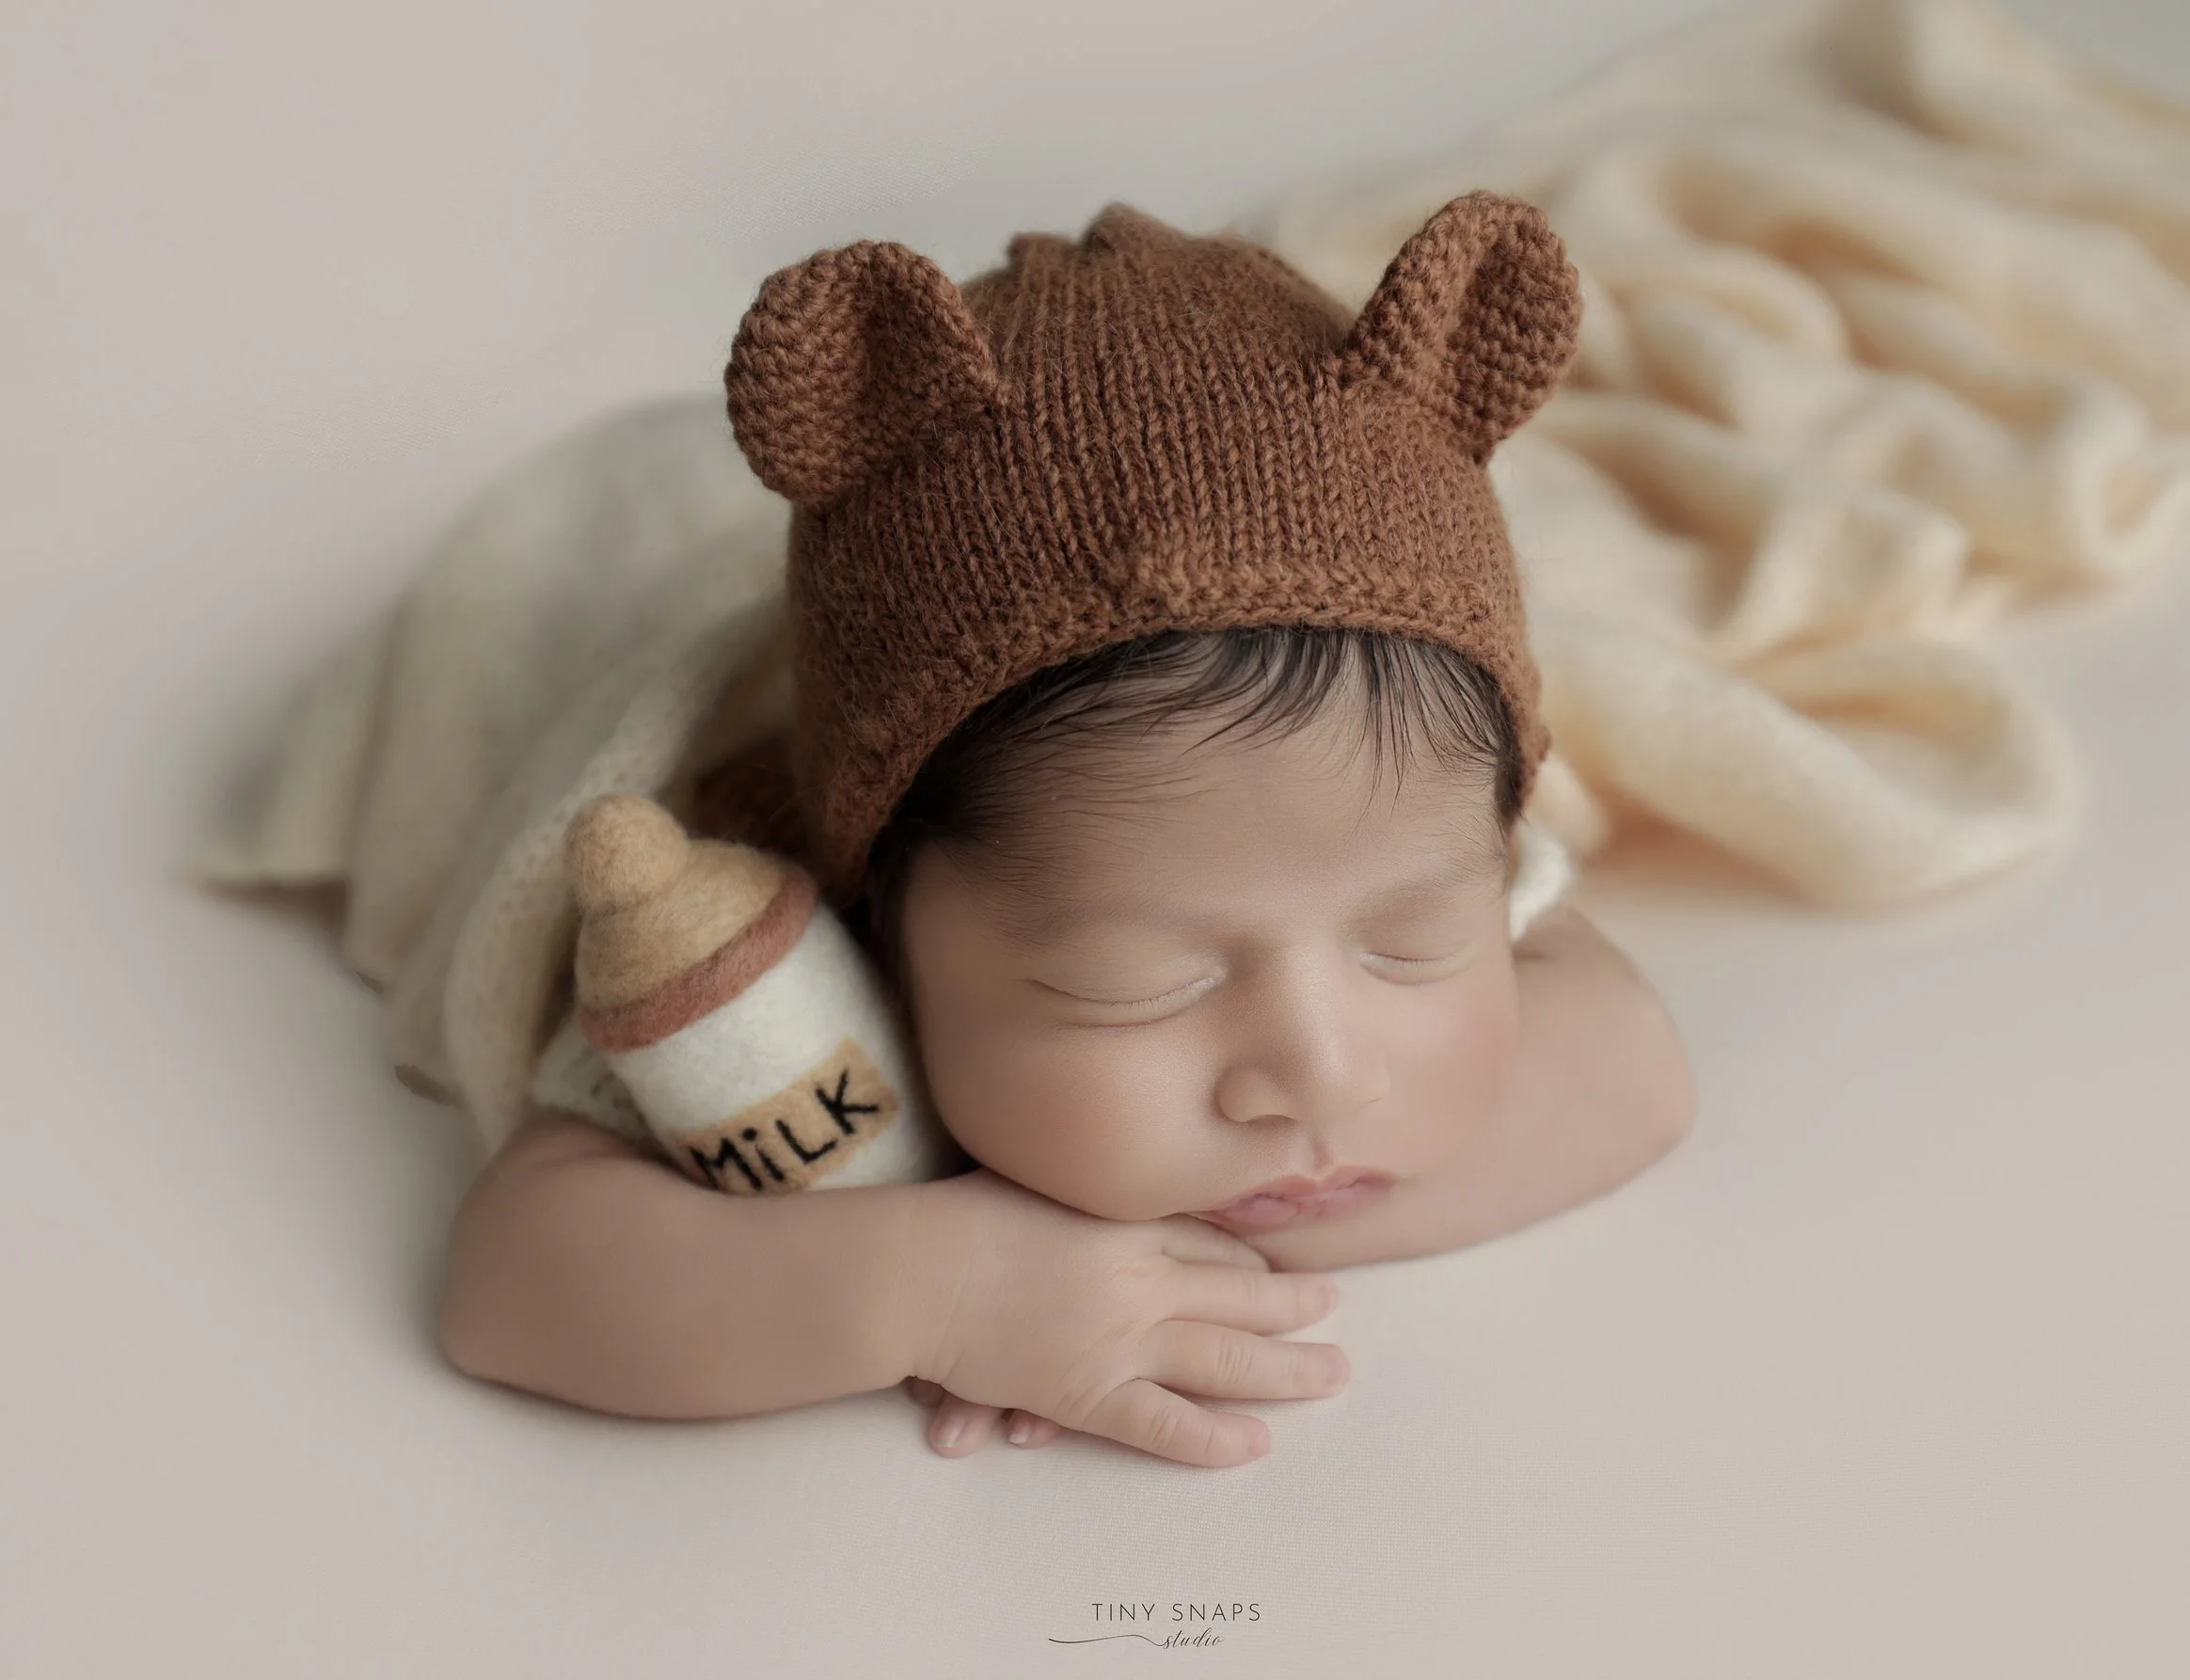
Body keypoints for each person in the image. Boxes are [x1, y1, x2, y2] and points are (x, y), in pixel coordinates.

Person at [433, 190, 1698, 1471]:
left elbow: (1636, 1066)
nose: (1322, 1074)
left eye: (1414, 943)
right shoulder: (776, 947)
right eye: (1141, 980)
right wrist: (942, 1286)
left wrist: (1177, 1261)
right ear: (883, 905)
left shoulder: (1381, 810)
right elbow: (513, 1277)